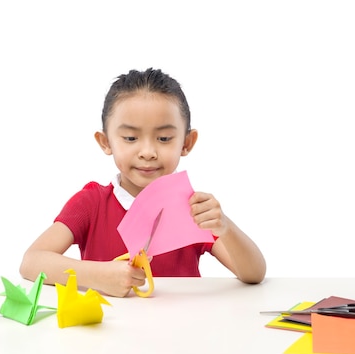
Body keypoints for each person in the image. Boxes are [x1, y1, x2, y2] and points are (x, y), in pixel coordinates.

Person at [19, 68, 266, 297]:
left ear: (186, 143)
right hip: (104, 338)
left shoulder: (194, 209)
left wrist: (224, 226)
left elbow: (254, 274)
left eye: (164, 137)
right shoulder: (91, 203)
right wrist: (98, 276)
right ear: (106, 142)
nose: (147, 151)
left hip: (184, 335)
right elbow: (32, 261)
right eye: (130, 137)